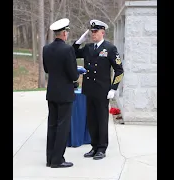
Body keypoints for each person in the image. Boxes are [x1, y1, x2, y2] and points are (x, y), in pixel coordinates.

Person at [72, 19, 124, 160]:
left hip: (102, 91)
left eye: (96, 32)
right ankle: (94, 146)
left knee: (101, 119)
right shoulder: (88, 48)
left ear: (103, 32)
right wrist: (78, 42)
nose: (93, 34)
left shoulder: (110, 48)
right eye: (92, 32)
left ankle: (102, 148)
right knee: (91, 120)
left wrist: (113, 88)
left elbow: (119, 70)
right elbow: (73, 54)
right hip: (89, 89)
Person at [43, 18, 79, 168]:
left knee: (52, 125)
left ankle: (50, 158)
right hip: (65, 93)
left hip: (52, 92)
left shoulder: (46, 48)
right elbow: (73, 74)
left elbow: (46, 69)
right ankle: (58, 160)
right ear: (64, 33)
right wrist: (76, 75)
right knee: (63, 127)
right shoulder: (67, 49)